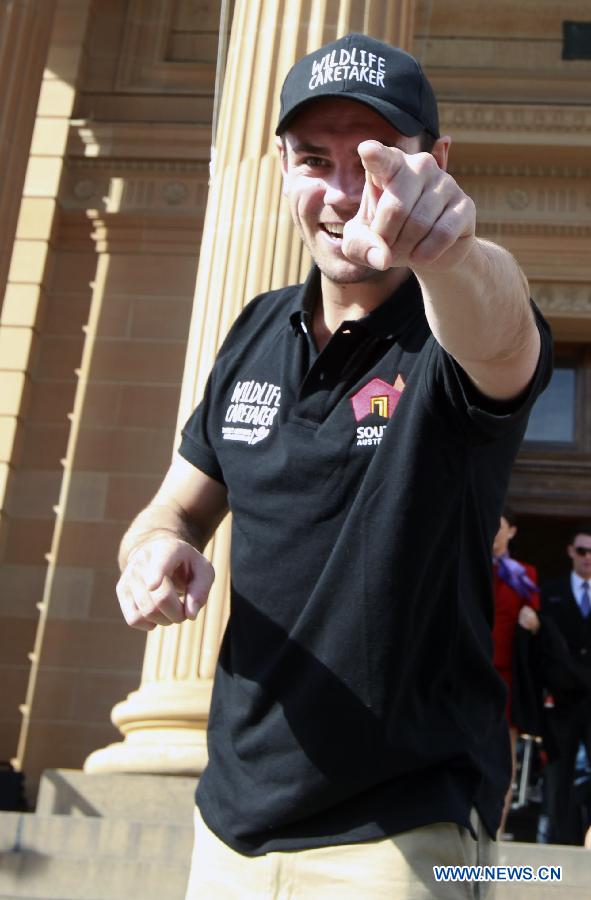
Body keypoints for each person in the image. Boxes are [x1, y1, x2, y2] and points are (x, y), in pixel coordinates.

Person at [116, 33, 552, 899]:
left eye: (375, 161)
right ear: (281, 163)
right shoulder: (253, 331)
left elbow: (502, 335)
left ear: (435, 161)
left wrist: (450, 252)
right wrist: (154, 551)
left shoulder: (449, 323)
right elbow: (174, 506)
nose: (346, 195)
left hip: (403, 837)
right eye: (315, 160)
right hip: (230, 829)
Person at [539, 524, 591, 845]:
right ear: (571, 552)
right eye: (583, 551)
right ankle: (559, 842)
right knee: (559, 775)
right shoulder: (551, 591)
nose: (589, 558)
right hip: (562, 701)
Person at [491, 508, 540, 838]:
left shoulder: (523, 574)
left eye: (500, 526)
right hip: (468, 676)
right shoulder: (469, 564)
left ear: (512, 532)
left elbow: (536, 620)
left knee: (504, 759)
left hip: (506, 678)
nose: (494, 532)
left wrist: (534, 623)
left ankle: (498, 826)